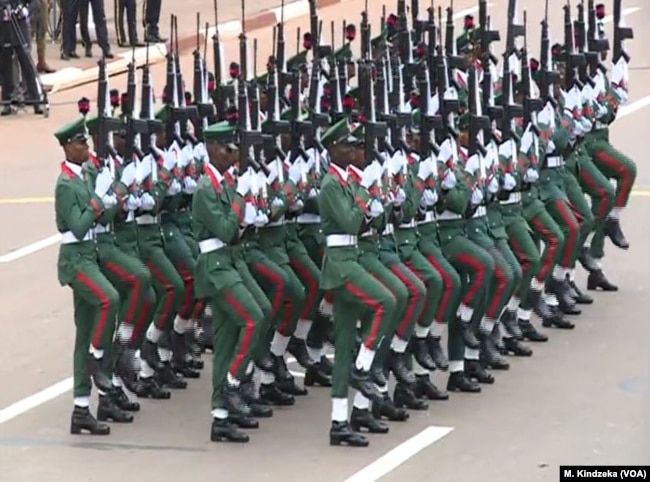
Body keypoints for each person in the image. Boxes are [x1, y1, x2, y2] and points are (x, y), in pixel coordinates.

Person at [193, 120, 268, 442]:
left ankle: (220, 417)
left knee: (226, 340)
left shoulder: (223, 183)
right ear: (212, 149)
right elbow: (225, 229)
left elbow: (237, 231)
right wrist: (241, 197)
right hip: (215, 266)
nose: (234, 154)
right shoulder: (206, 189)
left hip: (231, 260)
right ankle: (235, 383)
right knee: (254, 317)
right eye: (228, 148)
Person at [53, 117, 120, 435]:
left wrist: (112, 196)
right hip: (75, 260)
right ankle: (96, 360)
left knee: (84, 334)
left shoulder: (85, 176)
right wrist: (96, 201)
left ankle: (81, 409)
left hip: (88, 254)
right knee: (110, 299)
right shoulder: (65, 184)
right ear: (67, 147)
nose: (86, 147)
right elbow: (79, 225)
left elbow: (102, 216)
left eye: (86, 142)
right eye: (81, 143)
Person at [31, 0, 55, 73]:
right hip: (29, 3)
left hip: (43, 3)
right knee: (29, 33)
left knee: (42, 31)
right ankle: (25, 66)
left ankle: (41, 61)